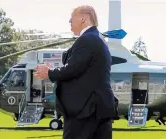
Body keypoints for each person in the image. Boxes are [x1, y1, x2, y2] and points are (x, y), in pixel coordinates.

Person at [34, 5, 117, 139]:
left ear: (83, 18)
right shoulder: (98, 39)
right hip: (99, 108)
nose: (69, 22)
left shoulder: (87, 39)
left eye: (72, 18)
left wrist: (49, 72)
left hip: (85, 110)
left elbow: (73, 69)